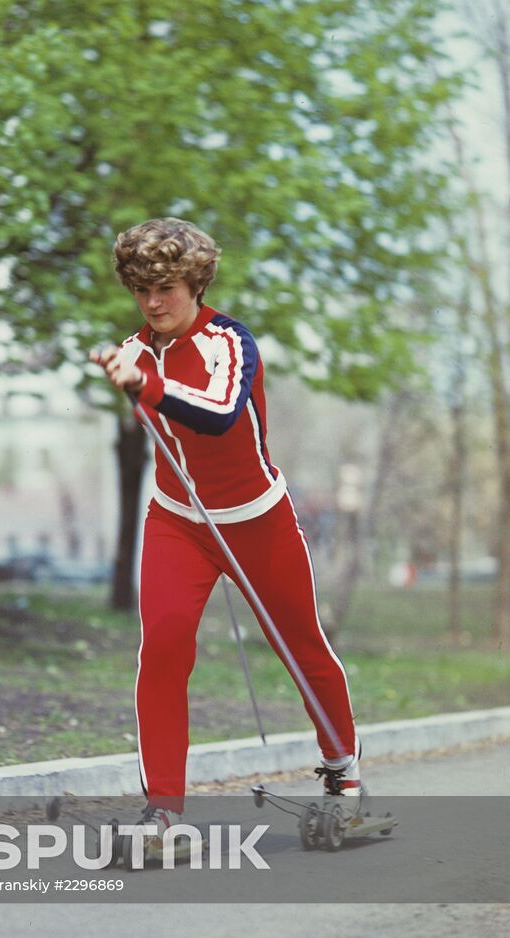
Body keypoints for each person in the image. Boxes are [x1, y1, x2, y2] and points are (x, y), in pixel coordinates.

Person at [90, 217, 361, 836]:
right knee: (162, 645)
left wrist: (147, 386)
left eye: (167, 288)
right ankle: (163, 808)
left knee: (301, 644)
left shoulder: (231, 342)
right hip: (177, 521)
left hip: (255, 519)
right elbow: (162, 430)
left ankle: (343, 771)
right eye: (141, 290)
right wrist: (137, 378)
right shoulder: (134, 352)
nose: (153, 303)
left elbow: (217, 416)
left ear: (196, 283)